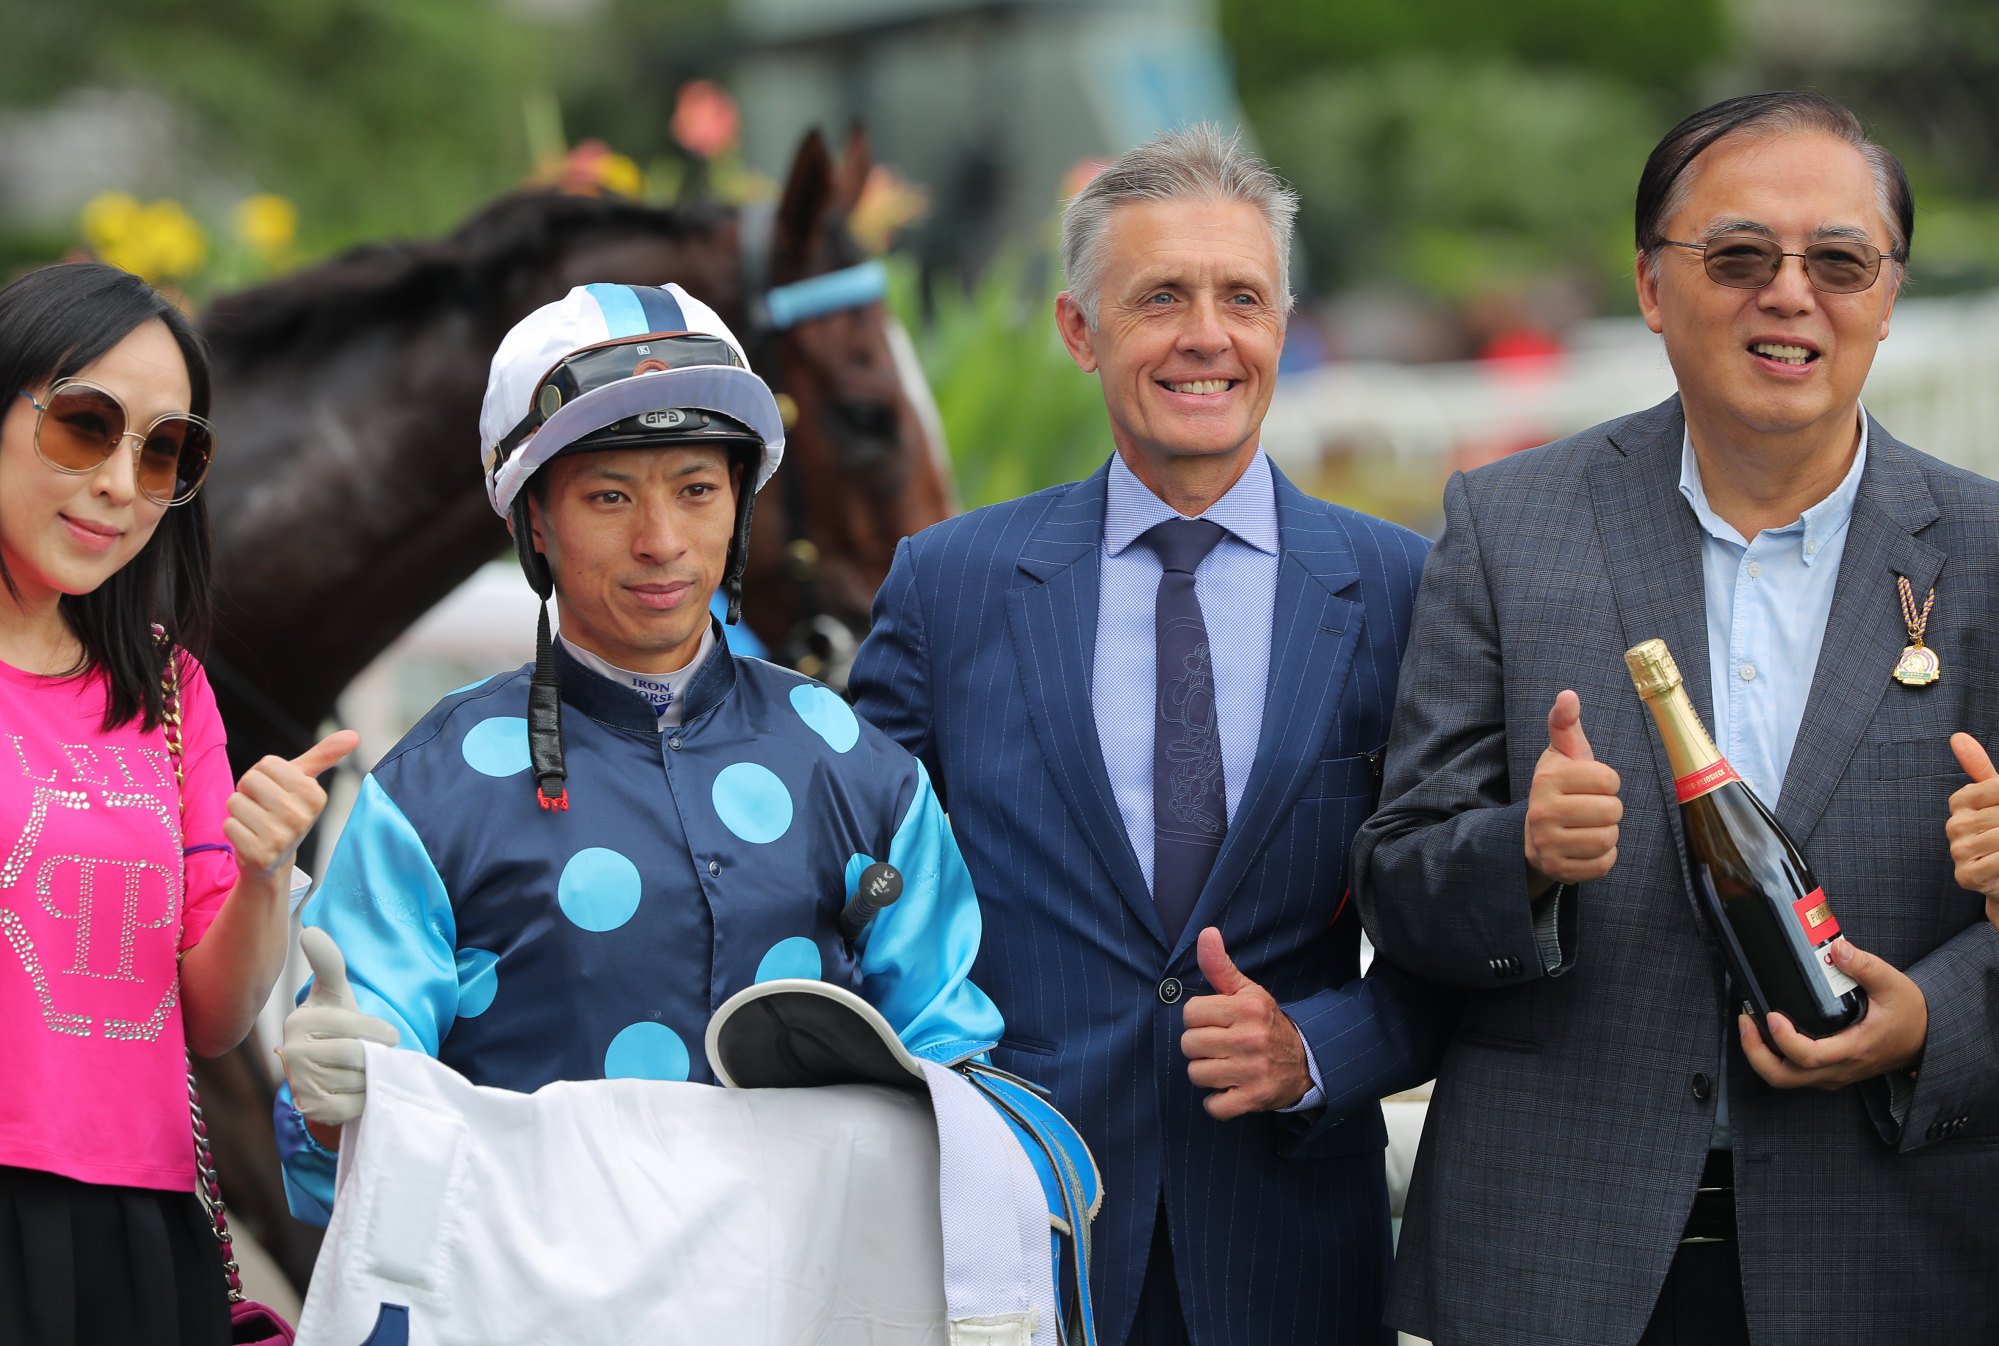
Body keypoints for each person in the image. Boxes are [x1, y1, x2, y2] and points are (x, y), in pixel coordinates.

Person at [1352, 91, 1999, 1346]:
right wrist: (1521, 857)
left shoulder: (1986, 554)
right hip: (1555, 1257)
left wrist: (1937, 1017)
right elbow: (1398, 876)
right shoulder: (1507, 526)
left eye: (1838, 261)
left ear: (1887, 291)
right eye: (1740, 256)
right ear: (1653, 286)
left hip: (1891, 1255)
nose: (1788, 294)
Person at [849, 124, 1452, 1346]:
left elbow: (1471, 934)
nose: (1204, 335)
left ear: (1283, 320)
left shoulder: (1403, 590)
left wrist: (1314, 1048)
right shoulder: (948, 584)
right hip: (1014, 1239)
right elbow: (852, 893)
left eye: (1241, 296)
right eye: (1159, 296)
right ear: (1080, 331)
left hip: (1291, 1250)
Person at [273, 282, 1004, 1222]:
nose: (661, 542)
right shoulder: (430, 790)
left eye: (697, 490)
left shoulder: (860, 769)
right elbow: (333, 1156)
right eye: (609, 496)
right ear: (533, 522)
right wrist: (333, 1112)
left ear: (739, 505)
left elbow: (953, 1070)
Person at [0, 261, 354, 1345]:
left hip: (140, 1224)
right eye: (83, 426)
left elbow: (211, 1012)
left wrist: (261, 873)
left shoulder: (166, 689)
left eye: (165, 451)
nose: (121, 482)